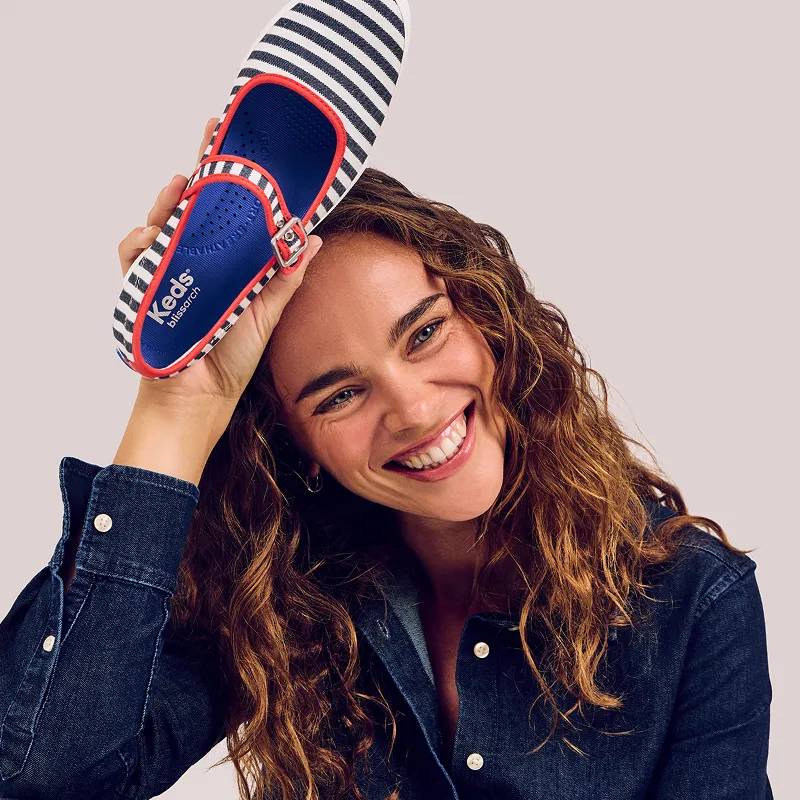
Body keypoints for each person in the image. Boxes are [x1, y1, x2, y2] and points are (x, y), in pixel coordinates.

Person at [0, 117, 772, 800]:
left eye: (425, 332)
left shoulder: (691, 599)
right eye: (337, 396)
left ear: (489, 318)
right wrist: (177, 410)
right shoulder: (279, 588)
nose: (411, 408)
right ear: (291, 445)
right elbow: (49, 774)